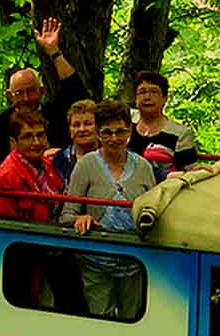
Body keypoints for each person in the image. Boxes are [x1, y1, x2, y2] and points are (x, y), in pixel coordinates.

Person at [0, 18, 90, 164]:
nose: (26, 98)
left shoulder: (55, 114)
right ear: (9, 96)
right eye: (19, 93)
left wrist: (54, 52)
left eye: (31, 91)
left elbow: (75, 89)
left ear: (42, 91)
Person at [61, 98, 157, 234]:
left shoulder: (143, 167)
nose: (114, 139)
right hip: (95, 249)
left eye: (120, 132)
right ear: (98, 133)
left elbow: (154, 214)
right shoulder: (86, 164)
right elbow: (67, 215)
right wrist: (80, 219)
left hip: (135, 250)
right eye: (106, 133)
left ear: (129, 130)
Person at [0, 108, 64, 222]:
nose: (36, 142)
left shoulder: (47, 165)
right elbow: (5, 228)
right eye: (27, 137)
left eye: (40, 135)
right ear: (13, 143)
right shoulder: (6, 177)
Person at [129, 70, 197, 172]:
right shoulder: (126, 121)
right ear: (135, 98)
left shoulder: (180, 134)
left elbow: (190, 171)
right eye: (142, 92)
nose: (147, 97)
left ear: (165, 98)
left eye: (154, 92)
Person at [48, 98, 98, 186]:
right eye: (76, 125)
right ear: (69, 129)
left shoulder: (109, 157)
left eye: (88, 124)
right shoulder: (59, 159)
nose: (82, 129)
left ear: (98, 127)